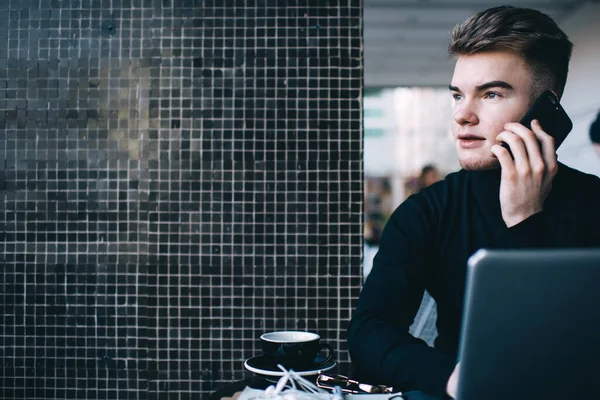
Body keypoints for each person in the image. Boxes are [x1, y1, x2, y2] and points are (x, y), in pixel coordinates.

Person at [347, 5, 600, 399]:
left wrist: (524, 220)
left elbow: (560, 344)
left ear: (544, 109)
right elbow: (369, 330)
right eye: (457, 94)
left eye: (491, 94)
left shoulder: (593, 204)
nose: (463, 115)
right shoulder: (428, 210)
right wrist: (452, 376)